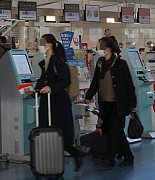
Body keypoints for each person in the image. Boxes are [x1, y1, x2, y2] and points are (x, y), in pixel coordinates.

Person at [28, 33, 80, 170]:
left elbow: (65, 80)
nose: (39, 46)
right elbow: (43, 81)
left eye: (42, 43)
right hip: (48, 102)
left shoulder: (58, 61)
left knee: (59, 133)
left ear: (49, 45)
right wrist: (34, 91)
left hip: (58, 103)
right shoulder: (46, 61)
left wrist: (51, 88)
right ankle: (48, 163)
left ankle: (75, 155)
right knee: (47, 131)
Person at [84, 35, 135, 168]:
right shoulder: (100, 63)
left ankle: (110, 159)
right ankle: (128, 156)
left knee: (115, 132)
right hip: (104, 103)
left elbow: (129, 85)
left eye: (101, 46)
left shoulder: (120, 64)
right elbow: (95, 82)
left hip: (118, 104)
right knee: (112, 131)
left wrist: (132, 104)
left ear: (109, 48)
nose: (99, 49)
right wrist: (89, 95)